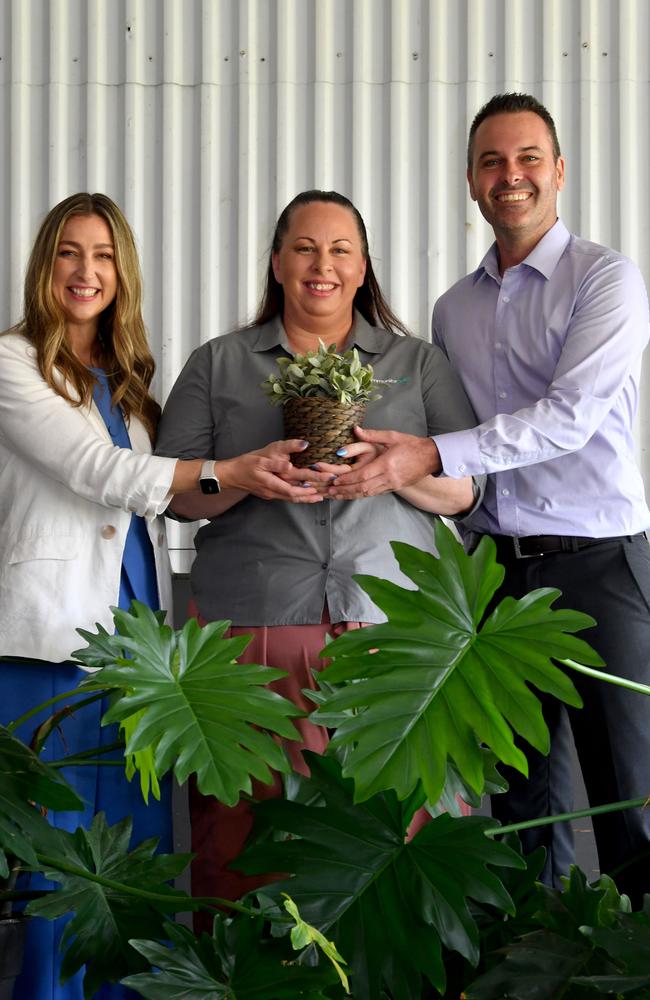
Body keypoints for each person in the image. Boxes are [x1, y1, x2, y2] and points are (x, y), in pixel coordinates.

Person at [0, 192, 331, 1000]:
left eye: (104, 256)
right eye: (70, 253)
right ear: (45, 266)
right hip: (50, 645)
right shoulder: (11, 363)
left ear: (124, 274)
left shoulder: (126, 382)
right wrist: (234, 470)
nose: (87, 272)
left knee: (136, 865)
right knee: (62, 866)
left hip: (140, 655)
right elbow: (99, 473)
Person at [329, 94, 650, 905]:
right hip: (494, 575)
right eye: (493, 162)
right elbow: (450, 438)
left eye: (528, 158)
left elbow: (569, 419)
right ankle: (526, 962)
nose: (512, 176)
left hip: (600, 567)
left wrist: (430, 452)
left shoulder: (607, 278)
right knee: (516, 798)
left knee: (629, 795)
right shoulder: (453, 308)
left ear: (559, 171)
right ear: (472, 181)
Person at [155, 189, 483, 912]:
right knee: (247, 829)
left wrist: (398, 471)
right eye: (304, 248)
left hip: (392, 628)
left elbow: (468, 493)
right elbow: (176, 492)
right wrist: (247, 477)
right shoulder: (221, 363)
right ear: (276, 262)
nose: (321, 265)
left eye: (340, 250)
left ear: (363, 267)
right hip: (254, 624)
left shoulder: (417, 362)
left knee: (400, 824)